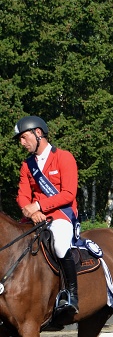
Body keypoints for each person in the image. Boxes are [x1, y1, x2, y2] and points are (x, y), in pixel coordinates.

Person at [14, 115, 80, 318]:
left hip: (62, 215)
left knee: (59, 244)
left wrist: (39, 206)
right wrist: (29, 210)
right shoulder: (27, 165)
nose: (22, 143)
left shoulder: (64, 157)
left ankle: (71, 294)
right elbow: (22, 196)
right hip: (34, 218)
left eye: (24, 138)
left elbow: (69, 193)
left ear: (38, 133)